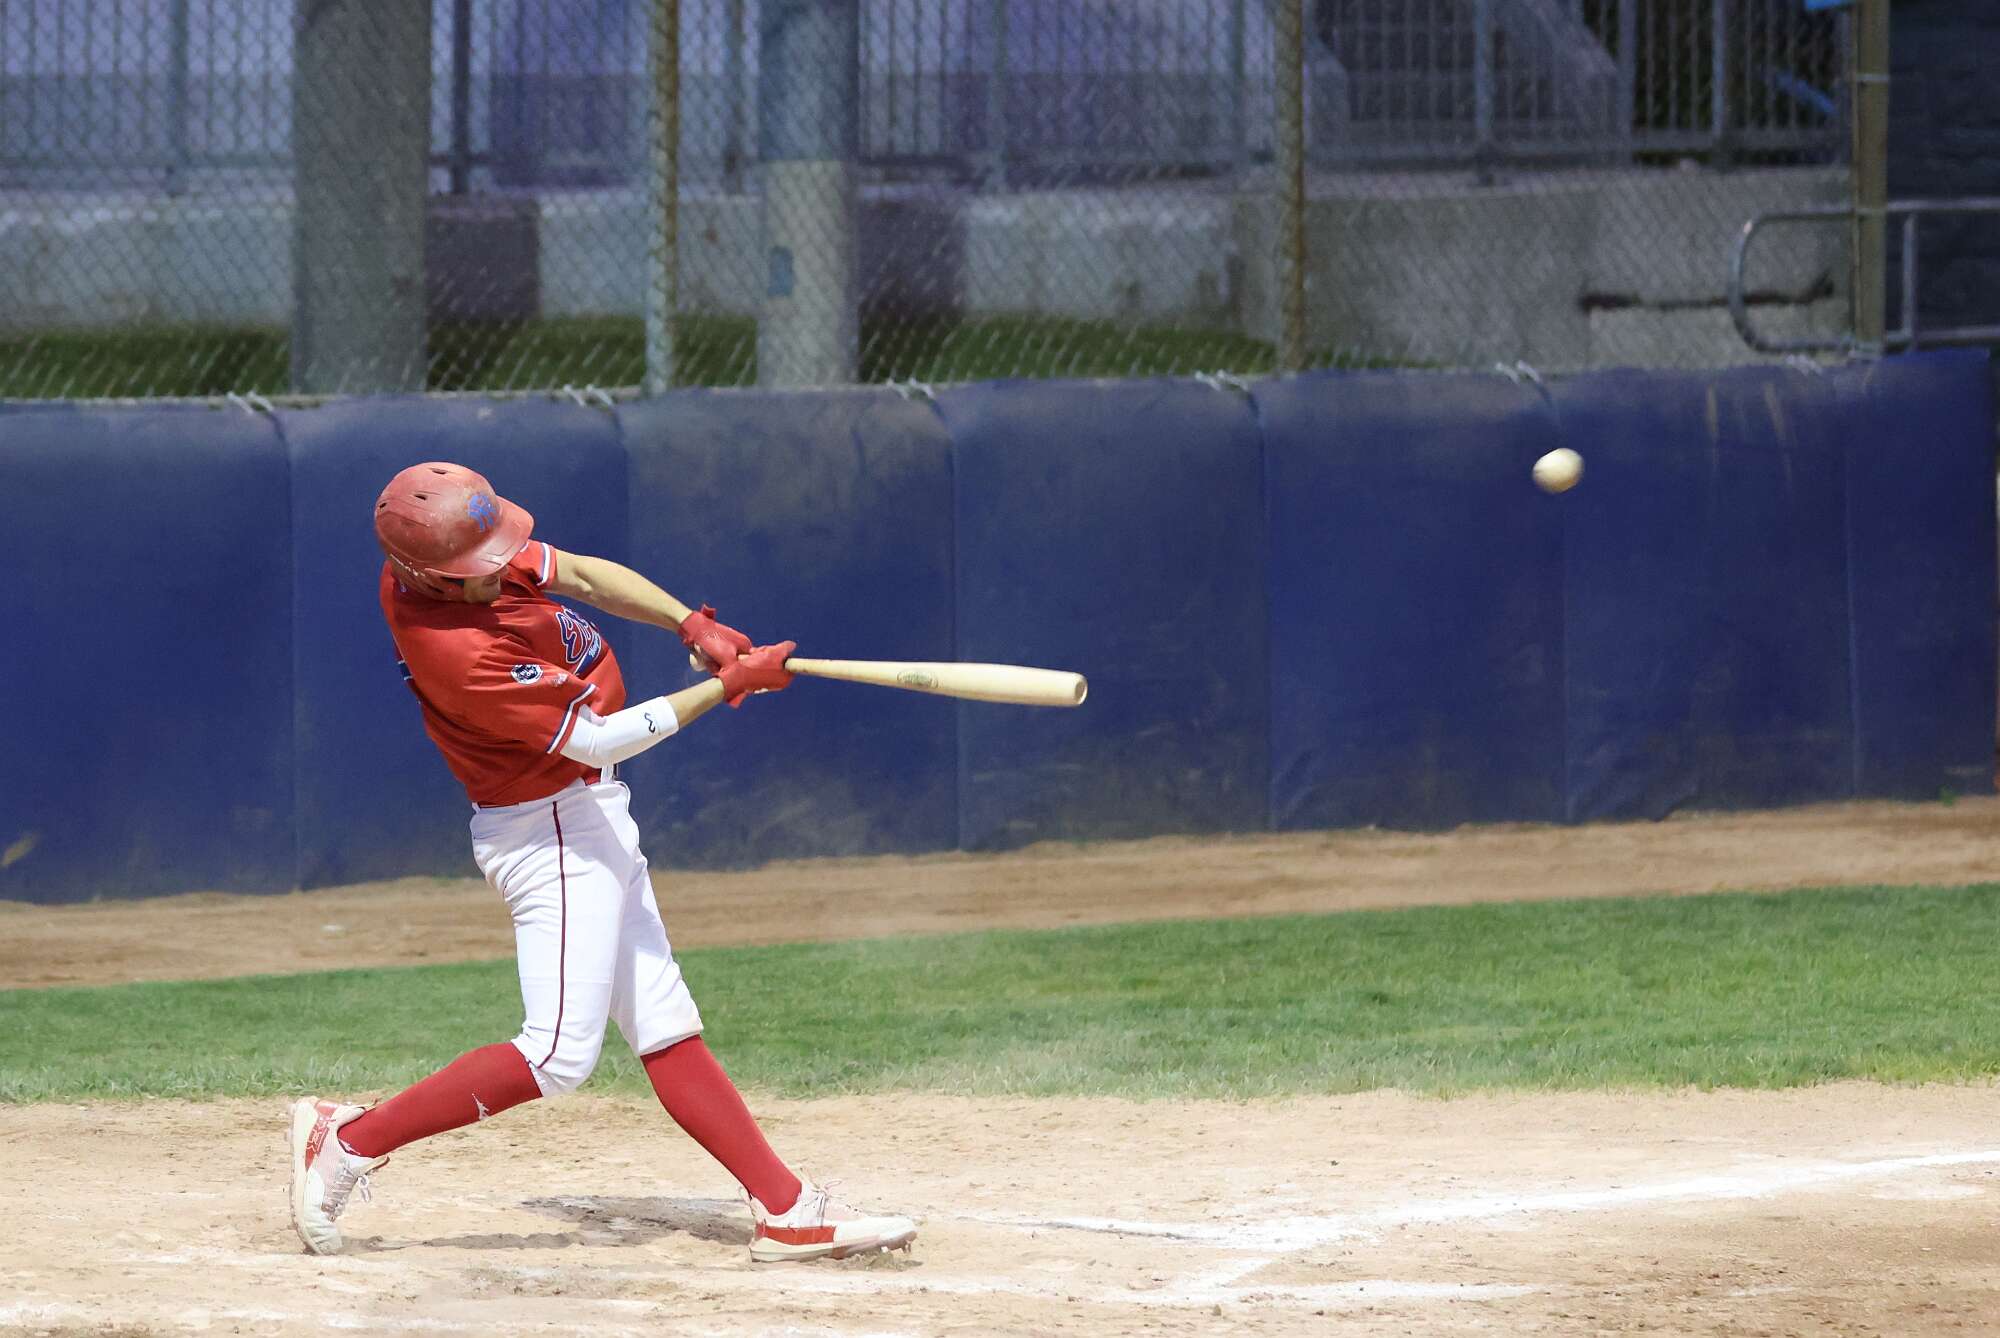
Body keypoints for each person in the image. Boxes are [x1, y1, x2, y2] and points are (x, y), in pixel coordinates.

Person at [286, 461, 916, 1264]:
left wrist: (691, 625)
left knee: (663, 1022)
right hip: (546, 829)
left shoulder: (457, 557)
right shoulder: (456, 648)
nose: (500, 569)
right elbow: (595, 739)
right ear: (431, 578)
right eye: (479, 568)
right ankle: (348, 1142)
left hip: (589, 813)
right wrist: (728, 686)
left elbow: (582, 574)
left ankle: (787, 1209)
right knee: (556, 1053)